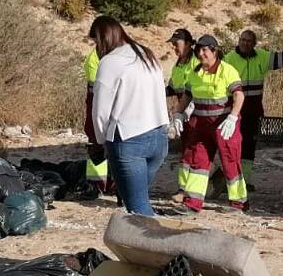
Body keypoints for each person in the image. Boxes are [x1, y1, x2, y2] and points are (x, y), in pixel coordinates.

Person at [89, 15, 170, 217]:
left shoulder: (110, 62)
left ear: (103, 38)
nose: (95, 48)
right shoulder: (146, 54)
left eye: (96, 42)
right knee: (137, 201)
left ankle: (159, 245)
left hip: (129, 140)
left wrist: (100, 142)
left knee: (139, 209)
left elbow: (100, 111)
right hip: (159, 137)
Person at [173, 34, 248, 211]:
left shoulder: (227, 70)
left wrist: (233, 117)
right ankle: (192, 203)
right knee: (198, 162)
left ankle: (238, 203)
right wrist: (178, 114)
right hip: (200, 124)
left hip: (223, 124)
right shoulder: (195, 72)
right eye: (199, 50)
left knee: (230, 160)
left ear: (214, 51)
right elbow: (187, 96)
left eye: (205, 50)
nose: (201, 53)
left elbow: (238, 95)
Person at [224, 29, 283, 182]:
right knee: (232, 144)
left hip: (253, 111)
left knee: (249, 145)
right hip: (234, 110)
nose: (245, 43)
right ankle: (229, 177)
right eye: (242, 39)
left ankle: (245, 180)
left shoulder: (262, 56)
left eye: (249, 41)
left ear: (254, 44)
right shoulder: (229, 59)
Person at [165, 28, 200, 200]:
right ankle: (184, 188)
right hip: (183, 108)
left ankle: (185, 190)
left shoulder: (196, 62)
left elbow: (196, 89)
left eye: (176, 44)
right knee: (186, 148)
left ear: (187, 44)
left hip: (195, 109)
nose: (173, 47)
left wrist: (185, 110)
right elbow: (173, 87)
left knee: (191, 149)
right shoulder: (178, 64)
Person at [82, 40, 113, 195]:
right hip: (97, 101)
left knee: (103, 145)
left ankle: (100, 186)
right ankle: (98, 185)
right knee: (98, 145)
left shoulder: (105, 56)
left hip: (101, 102)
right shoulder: (98, 56)